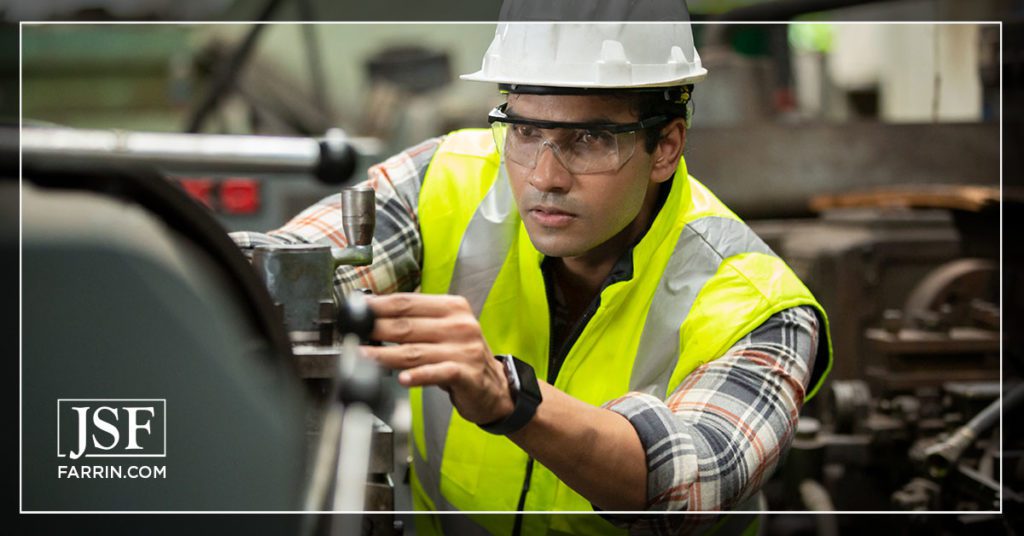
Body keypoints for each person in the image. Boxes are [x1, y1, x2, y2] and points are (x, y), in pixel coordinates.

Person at [233, 14, 832, 536]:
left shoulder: (758, 305)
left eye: (590, 139)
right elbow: (289, 266)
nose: (545, 174)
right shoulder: (449, 179)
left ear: (667, 146)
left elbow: (691, 480)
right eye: (525, 131)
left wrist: (508, 397)